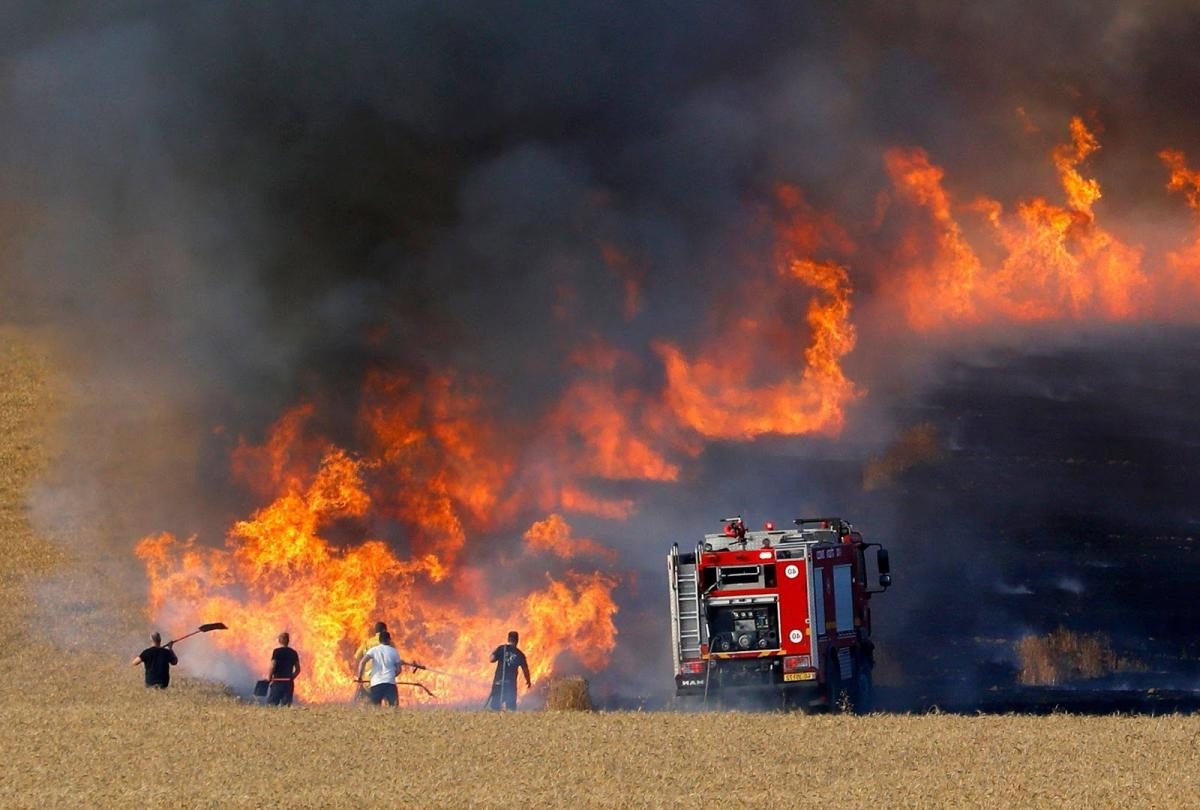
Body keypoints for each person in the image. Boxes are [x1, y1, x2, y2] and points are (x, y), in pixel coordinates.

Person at [357, 630, 404, 706]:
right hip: (390, 684)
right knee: (394, 708)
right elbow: (399, 670)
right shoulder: (394, 651)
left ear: (379, 640)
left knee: (375, 709)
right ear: (389, 639)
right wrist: (392, 675)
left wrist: (359, 677)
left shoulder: (373, 650)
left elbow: (362, 662)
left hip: (376, 684)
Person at [486, 630, 531, 711]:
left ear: (508, 639)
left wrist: (495, 653)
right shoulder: (520, 654)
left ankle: (496, 722)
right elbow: (525, 670)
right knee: (510, 709)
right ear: (517, 640)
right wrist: (528, 681)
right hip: (510, 684)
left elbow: (491, 659)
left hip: (498, 682)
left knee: (495, 708)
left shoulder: (501, 649)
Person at [352, 621, 388, 702]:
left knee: (369, 705)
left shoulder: (366, 642)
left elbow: (357, 657)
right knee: (389, 706)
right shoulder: (389, 643)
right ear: (385, 631)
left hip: (368, 681)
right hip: (385, 680)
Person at [265, 631, 301, 706]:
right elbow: (298, 669)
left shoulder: (276, 652)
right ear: (288, 641)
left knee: (272, 706)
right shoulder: (293, 652)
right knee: (286, 707)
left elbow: (273, 666)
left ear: (280, 640)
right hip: (288, 683)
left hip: (277, 682)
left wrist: (269, 677)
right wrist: (291, 677)